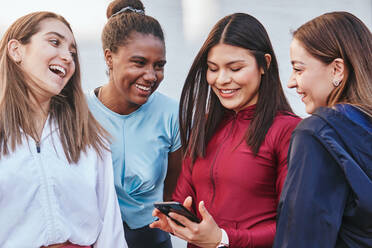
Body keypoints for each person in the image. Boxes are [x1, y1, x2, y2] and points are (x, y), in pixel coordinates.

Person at [150, 13, 301, 248]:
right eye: (213, 69)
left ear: (264, 64)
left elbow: (293, 225)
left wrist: (223, 239)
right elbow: (184, 198)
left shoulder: (288, 131)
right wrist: (178, 220)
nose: (221, 79)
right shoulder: (206, 124)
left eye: (235, 68)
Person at [0, 11, 124, 248]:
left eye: (73, 52)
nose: (67, 57)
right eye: (55, 42)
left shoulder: (90, 138)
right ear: (16, 50)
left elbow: (111, 232)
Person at [85, 0, 182, 247]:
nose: (151, 76)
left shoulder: (171, 114)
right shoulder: (78, 112)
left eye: (159, 66)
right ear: (109, 57)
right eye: (139, 63)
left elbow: (173, 191)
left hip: (152, 238)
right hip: (93, 238)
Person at [273, 11, 372, 248]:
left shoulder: (316, 134)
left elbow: (301, 239)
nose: (290, 82)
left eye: (298, 69)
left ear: (337, 69)